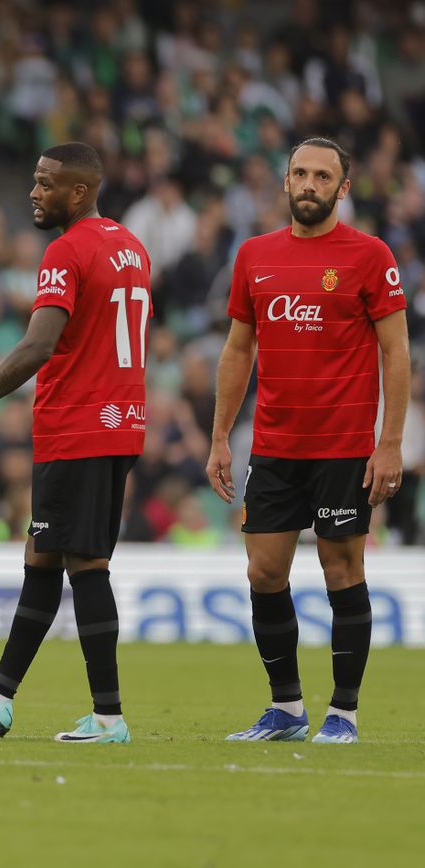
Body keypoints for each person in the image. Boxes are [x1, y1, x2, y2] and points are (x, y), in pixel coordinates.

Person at [0, 142, 150, 745]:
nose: (34, 192)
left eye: (46, 183)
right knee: (43, 559)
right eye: (34, 181)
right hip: (114, 422)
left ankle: (108, 718)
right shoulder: (130, 246)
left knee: (86, 566)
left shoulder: (66, 250)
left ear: (79, 191)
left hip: (81, 427)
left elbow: (37, 347)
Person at [205, 137, 411, 745]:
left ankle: (343, 714)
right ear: (285, 181)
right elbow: (238, 349)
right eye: (300, 172)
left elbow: (396, 352)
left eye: (323, 176)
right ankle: (287, 710)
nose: (309, 184)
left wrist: (390, 442)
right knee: (264, 572)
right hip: (273, 445)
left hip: (344, 445)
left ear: (343, 188)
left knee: (341, 567)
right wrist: (220, 437)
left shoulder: (370, 256)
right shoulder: (254, 256)